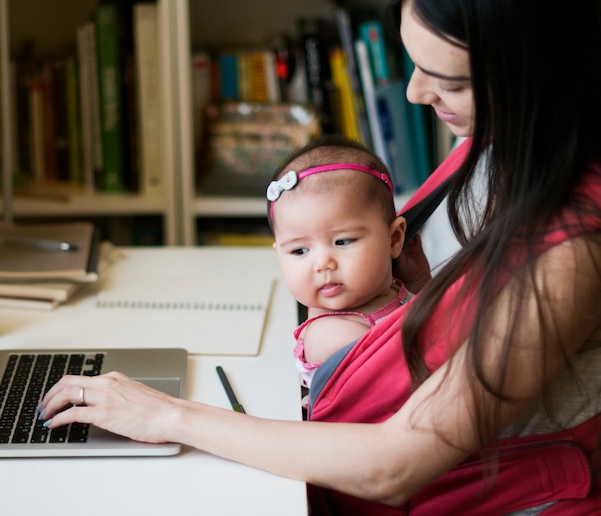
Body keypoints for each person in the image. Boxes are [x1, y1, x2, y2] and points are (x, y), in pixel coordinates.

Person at [40, 0, 601, 513]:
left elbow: (396, 464)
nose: (413, 93)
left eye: (449, 82)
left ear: (535, 77)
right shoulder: (499, 144)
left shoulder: (570, 255)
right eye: (415, 63)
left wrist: (165, 414)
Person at [266, 135, 410, 399]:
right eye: (299, 251)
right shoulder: (334, 335)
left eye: (343, 241)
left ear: (394, 238)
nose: (322, 264)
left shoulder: (385, 294)